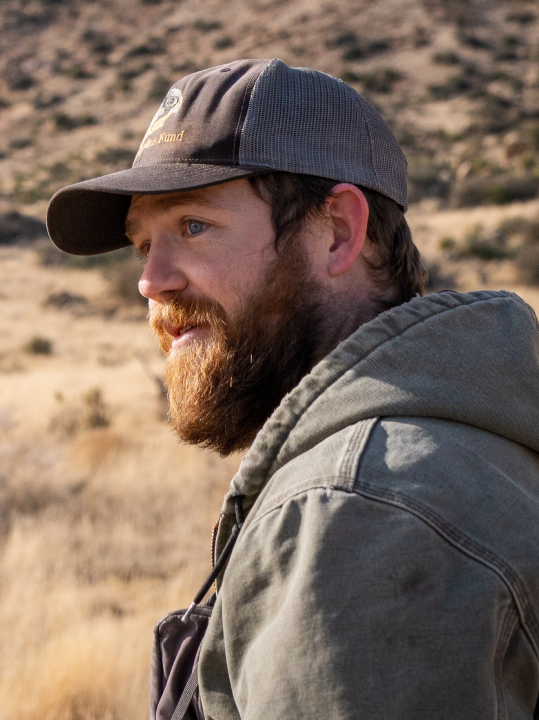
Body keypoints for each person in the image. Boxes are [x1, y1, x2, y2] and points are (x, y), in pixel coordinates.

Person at [46, 58, 539, 718]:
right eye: (143, 245)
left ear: (337, 231)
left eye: (193, 226)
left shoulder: (357, 515)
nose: (151, 280)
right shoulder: (473, 440)